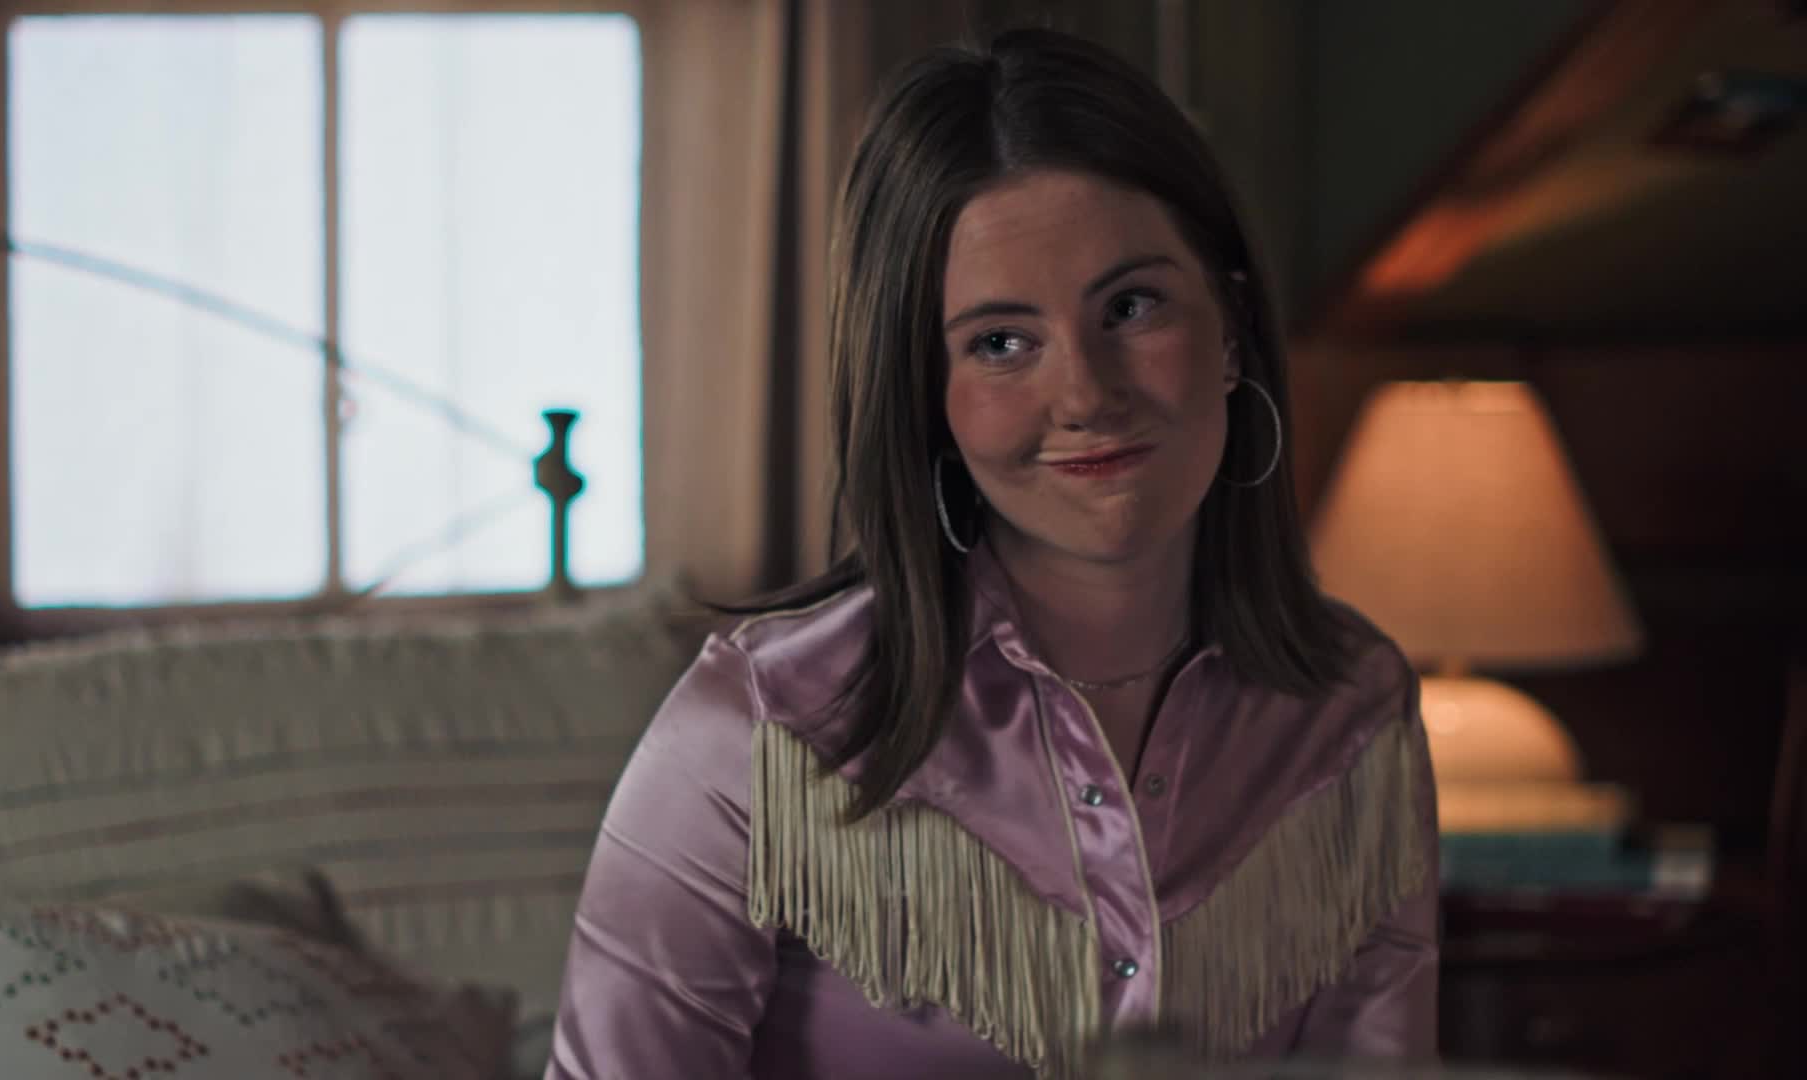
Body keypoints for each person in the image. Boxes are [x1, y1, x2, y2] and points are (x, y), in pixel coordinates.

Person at [545, 27, 1437, 1080]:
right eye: (1001, 343)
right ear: (928, 392)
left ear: (1233, 327)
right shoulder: (755, 735)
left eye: (1131, 306)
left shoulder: (1354, 711)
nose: (1086, 394)